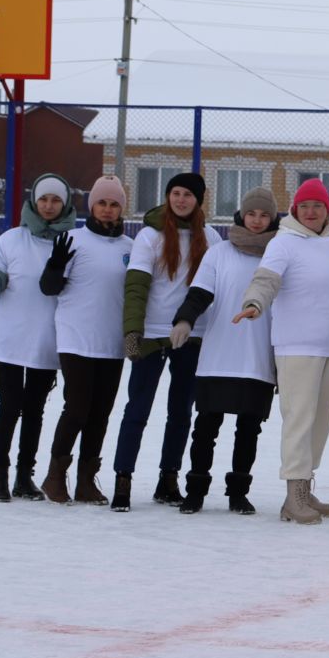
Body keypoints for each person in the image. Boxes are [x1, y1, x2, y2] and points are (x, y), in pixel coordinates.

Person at [233, 179, 329, 522]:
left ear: (327, 210)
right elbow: (266, 281)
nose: (310, 211)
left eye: (317, 206)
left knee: (320, 423)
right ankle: (293, 497)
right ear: (294, 209)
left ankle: (305, 488)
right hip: (296, 348)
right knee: (299, 420)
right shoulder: (284, 243)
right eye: (304, 205)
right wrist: (253, 303)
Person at [170, 185, 281, 516]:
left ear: (273, 218)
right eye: (252, 213)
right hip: (218, 356)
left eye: (264, 215)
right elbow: (199, 294)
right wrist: (184, 321)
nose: (257, 220)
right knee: (205, 428)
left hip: (258, 358)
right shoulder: (220, 253)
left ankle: (238, 493)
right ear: (241, 215)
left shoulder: (281, 253)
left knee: (249, 430)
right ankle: (196, 492)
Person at [111, 172, 213, 512]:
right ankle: (122, 479)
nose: (181, 200)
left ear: (199, 200)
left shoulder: (209, 237)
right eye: (175, 193)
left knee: (180, 412)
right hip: (152, 335)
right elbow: (136, 286)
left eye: (188, 195)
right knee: (137, 409)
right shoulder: (150, 236)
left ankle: (168, 479)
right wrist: (132, 332)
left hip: (191, 335)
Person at [0, 173, 73, 502]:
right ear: (33, 201)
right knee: (9, 406)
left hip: (47, 339)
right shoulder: (11, 239)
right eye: (43, 199)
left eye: (56, 200)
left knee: (35, 411)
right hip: (10, 340)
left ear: (65, 204)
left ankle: (24, 476)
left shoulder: (72, 241)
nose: (48, 206)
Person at [38, 175, 135, 505]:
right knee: (77, 409)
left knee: (101, 414)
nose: (107, 210)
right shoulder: (71, 240)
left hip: (112, 343)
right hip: (76, 339)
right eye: (102, 203)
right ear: (91, 205)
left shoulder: (130, 248)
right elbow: (50, 288)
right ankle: (54, 477)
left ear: (122, 209)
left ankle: (85, 481)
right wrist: (54, 266)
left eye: (114, 204)